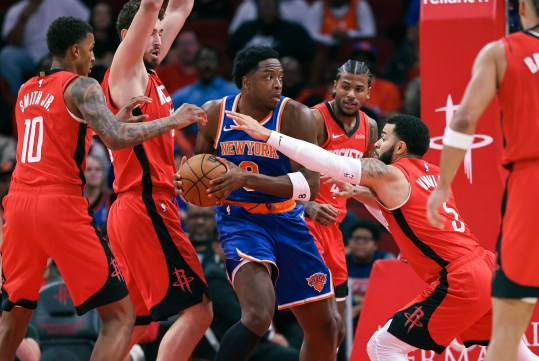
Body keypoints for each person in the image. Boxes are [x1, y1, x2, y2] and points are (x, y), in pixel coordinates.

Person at [226, 112, 539, 359]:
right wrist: (363, 195)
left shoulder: (390, 173)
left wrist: (268, 135)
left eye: (384, 138)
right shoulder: (431, 173)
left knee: (383, 347)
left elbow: (330, 162)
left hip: (461, 278)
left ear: (399, 147)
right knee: (511, 350)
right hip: (487, 267)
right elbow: (403, 218)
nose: (376, 144)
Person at [0, 16, 206, 361]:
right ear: (75, 49)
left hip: (18, 206)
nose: (94, 58)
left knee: (15, 313)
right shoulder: (83, 86)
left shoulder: (25, 91)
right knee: (121, 317)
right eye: (92, 49)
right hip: (59, 206)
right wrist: (172, 120)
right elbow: (116, 139)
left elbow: (59, 138)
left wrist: (110, 121)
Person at [176, 46, 339, 361]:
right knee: (258, 315)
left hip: (287, 219)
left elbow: (311, 186)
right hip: (241, 221)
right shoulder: (214, 113)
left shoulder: (296, 115)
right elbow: (200, 170)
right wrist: (186, 183)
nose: (279, 84)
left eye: (280, 77)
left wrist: (247, 179)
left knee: (326, 328)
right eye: (269, 77)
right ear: (246, 82)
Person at [426, 1, 539, 360]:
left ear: (521, 8)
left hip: (531, 184)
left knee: (507, 326)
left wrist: (443, 185)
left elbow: (462, 122)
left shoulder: (502, 52)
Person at [101, 1, 213, 360]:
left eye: (161, 34)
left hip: (136, 207)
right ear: (127, 36)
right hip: (144, 205)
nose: (159, 40)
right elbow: (152, 5)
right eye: (151, 32)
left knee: (132, 323)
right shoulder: (127, 69)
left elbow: (181, 6)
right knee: (198, 311)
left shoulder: (150, 76)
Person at [299, 59, 377, 352]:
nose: (351, 95)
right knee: (325, 324)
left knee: (338, 330)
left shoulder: (369, 127)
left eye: (359, 89)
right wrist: (306, 207)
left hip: (334, 229)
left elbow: (371, 181)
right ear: (334, 86)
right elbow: (282, 169)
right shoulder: (314, 119)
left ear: (368, 93)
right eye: (345, 86)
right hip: (303, 224)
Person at [0, 0, 90, 96]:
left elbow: (88, 22)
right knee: (6, 55)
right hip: (29, 55)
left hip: (58, 53)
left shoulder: (65, 2)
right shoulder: (18, 9)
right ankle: (18, 97)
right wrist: (24, 18)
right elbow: (11, 42)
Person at [345, 220, 395, 329]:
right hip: (347, 312)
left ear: (375, 245)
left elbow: (391, 295)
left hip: (378, 315)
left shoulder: (386, 260)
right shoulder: (341, 261)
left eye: (366, 239)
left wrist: (360, 307)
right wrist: (355, 301)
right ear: (349, 242)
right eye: (356, 238)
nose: (360, 243)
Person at [83, 155, 115, 234]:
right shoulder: (73, 200)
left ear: (103, 174)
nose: (93, 173)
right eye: (89, 169)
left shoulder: (112, 198)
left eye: (97, 170)